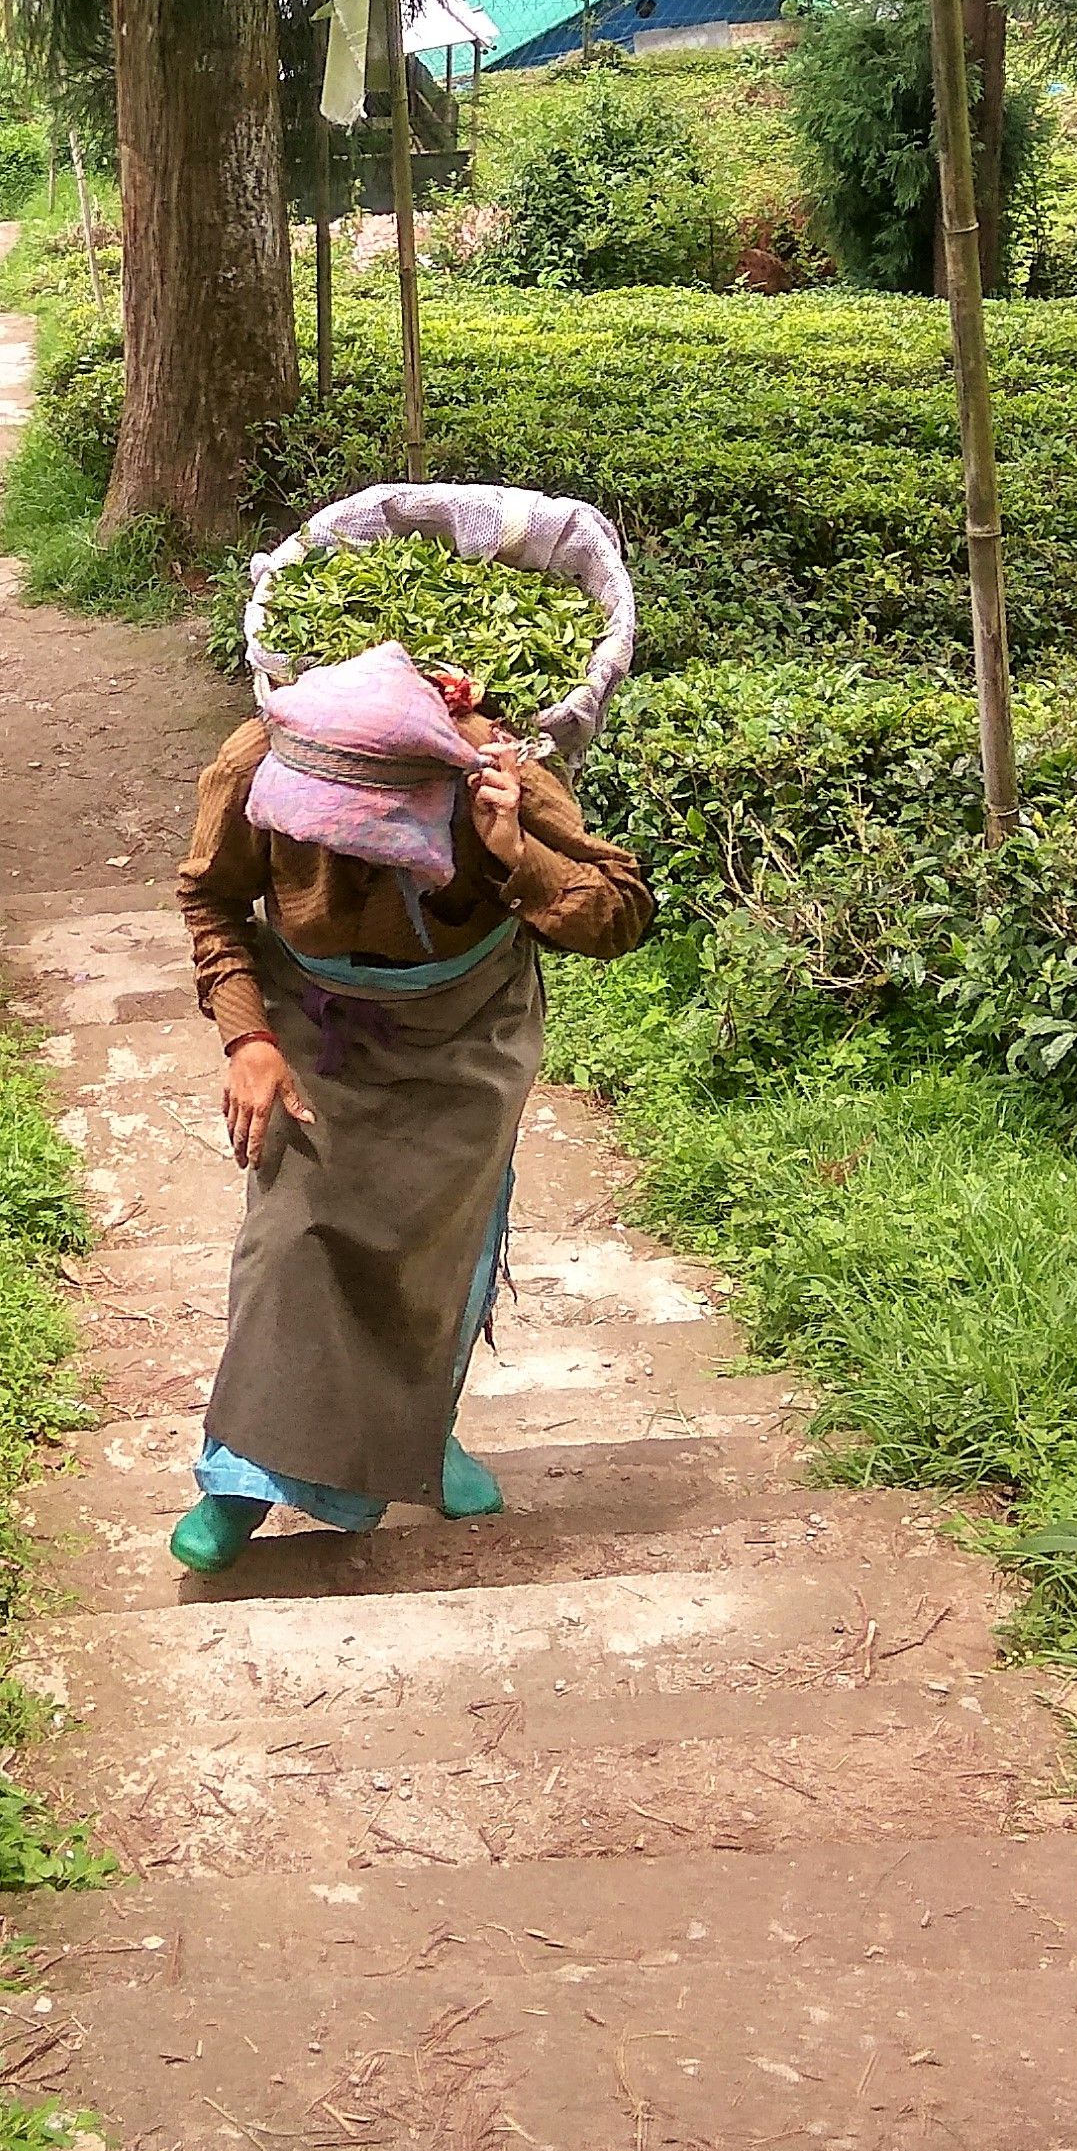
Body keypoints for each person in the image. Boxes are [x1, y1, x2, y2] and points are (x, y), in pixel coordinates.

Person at [168, 636, 653, 1577]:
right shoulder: (255, 758)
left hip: (467, 1027)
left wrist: (518, 854)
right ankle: (239, 1479)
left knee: (439, 1253)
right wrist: (249, 1040)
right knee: (291, 1241)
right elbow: (211, 899)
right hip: (315, 1022)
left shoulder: (493, 767)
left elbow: (619, 913)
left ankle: (422, 1440)